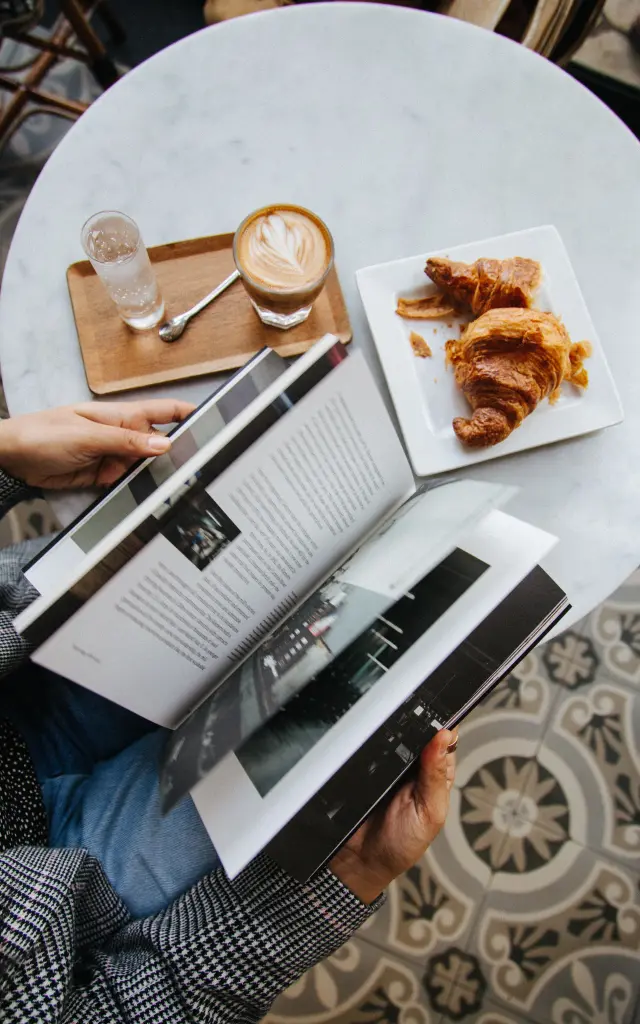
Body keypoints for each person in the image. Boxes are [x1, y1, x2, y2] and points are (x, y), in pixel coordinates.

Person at [0, 400, 457, 1023]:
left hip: (21, 666)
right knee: (335, 707)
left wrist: (6, 453)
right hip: (57, 878)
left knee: (274, 566)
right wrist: (342, 881)